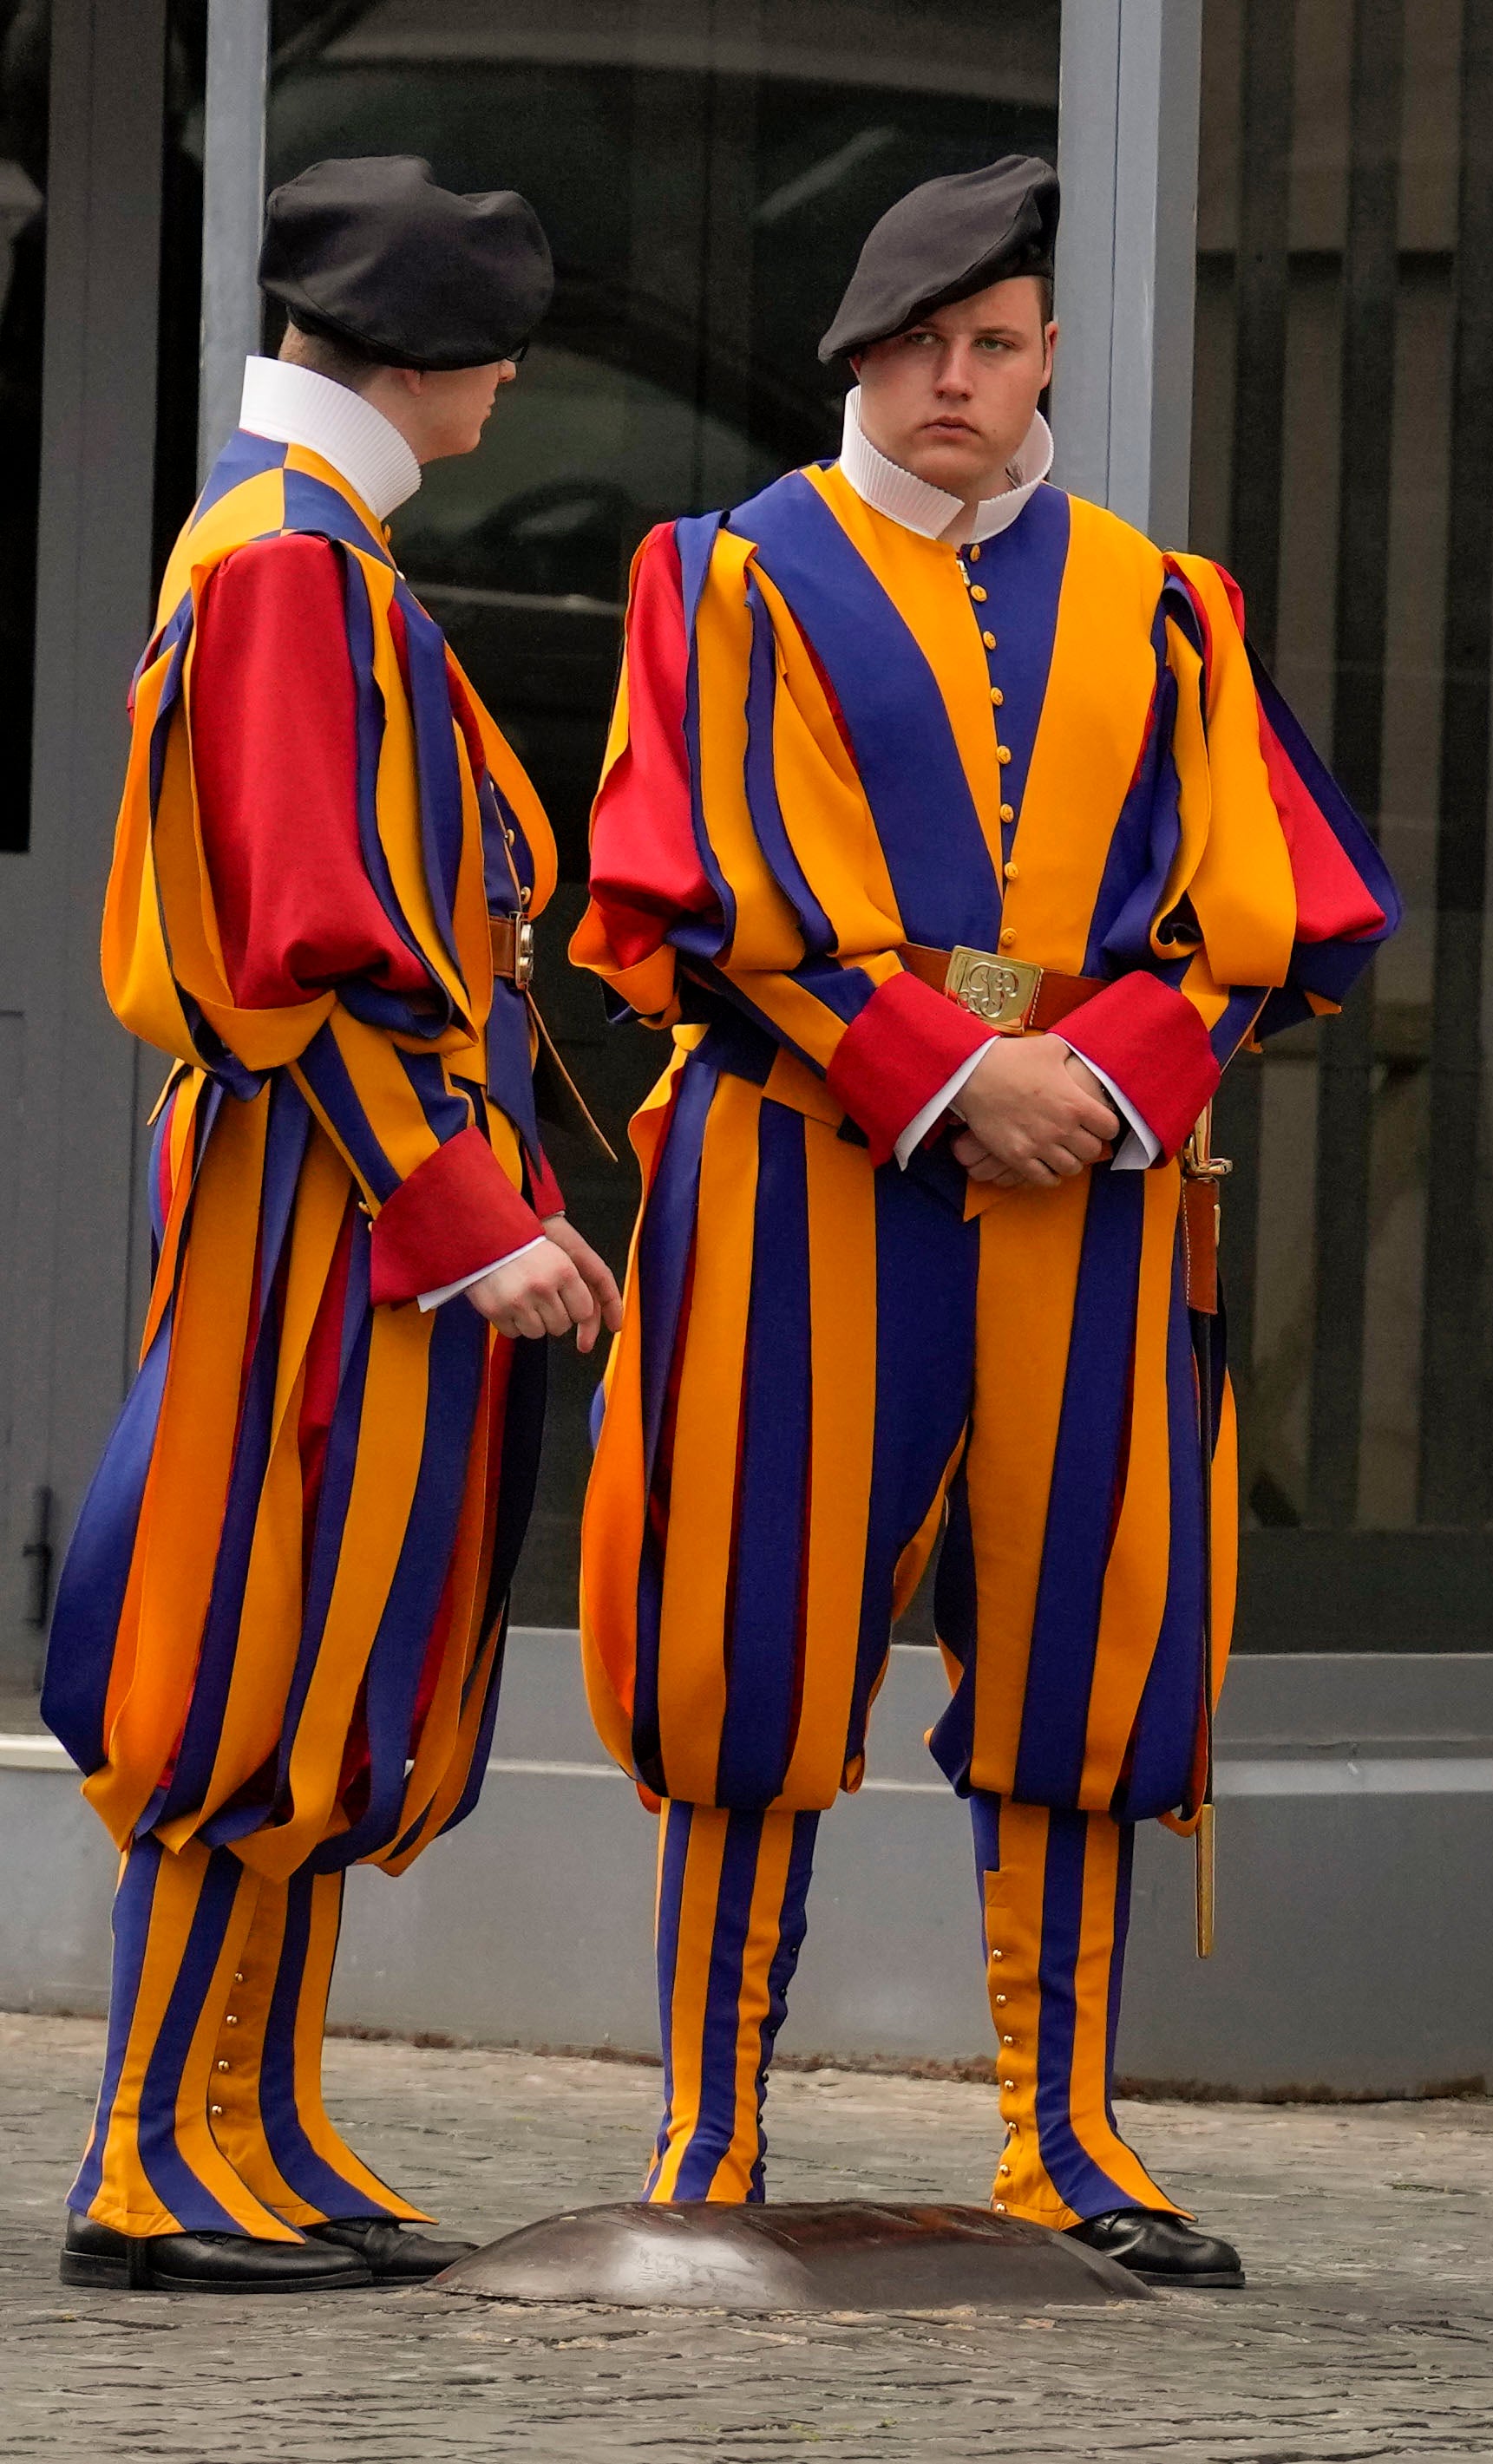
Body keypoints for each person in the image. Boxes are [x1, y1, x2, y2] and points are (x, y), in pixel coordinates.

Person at [572, 157, 1396, 2288]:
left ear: (1048, 358)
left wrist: (1111, 1078)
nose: (961, 379)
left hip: (1099, 1196)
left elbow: (1259, 901)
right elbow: (713, 885)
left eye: (1001, 342)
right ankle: (712, 2121)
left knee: (1088, 1651)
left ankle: (1066, 2132)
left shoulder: (1161, 598)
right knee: (756, 1638)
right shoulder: (727, 570)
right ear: (859, 353)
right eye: (924, 343)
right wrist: (946, 1070)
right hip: (804, 1174)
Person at [46, 156, 609, 2294]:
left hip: (343, 1184)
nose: (510, 387)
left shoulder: (299, 550)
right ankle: (151, 2152)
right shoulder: (294, 566)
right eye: (498, 348)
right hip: (330, 1191)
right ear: (448, 364)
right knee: (250, 1648)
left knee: (337, 1657)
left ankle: (249, 2120)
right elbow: (315, 940)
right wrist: (464, 1207)